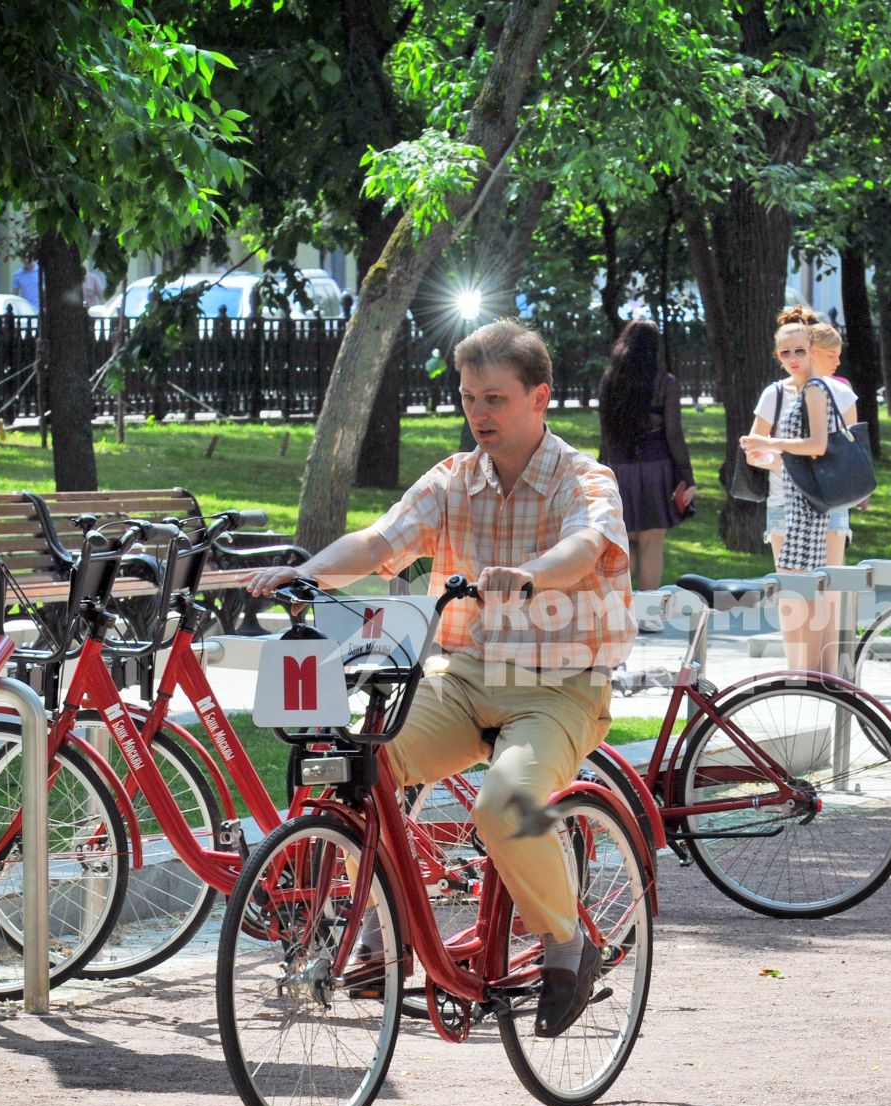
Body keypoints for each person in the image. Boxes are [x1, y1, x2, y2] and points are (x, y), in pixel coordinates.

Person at [246, 319, 633, 1038]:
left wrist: (530, 575)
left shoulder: (583, 478)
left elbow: (587, 545)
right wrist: (303, 571)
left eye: (495, 398)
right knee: (355, 769)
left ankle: (566, 941)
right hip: (461, 677)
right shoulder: (454, 479)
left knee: (507, 804)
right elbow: (379, 540)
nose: (478, 414)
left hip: (560, 685)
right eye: (468, 399)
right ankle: (381, 929)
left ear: (540, 397)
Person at [742, 313, 840, 672]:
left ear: (813, 350)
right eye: (785, 353)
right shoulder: (781, 392)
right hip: (791, 501)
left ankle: (811, 674)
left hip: (809, 507)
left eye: (800, 350)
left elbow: (817, 445)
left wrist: (770, 443)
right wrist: (769, 452)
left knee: (809, 593)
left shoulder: (815, 389)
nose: (793, 358)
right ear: (777, 356)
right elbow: (765, 455)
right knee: (796, 592)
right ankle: (804, 672)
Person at [749, 306, 858, 568]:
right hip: (784, 503)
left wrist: (779, 450)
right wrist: (782, 463)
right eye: (832, 355)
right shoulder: (774, 394)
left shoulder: (840, 392)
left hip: (829, 502)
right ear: (815, 352)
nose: (837, 362)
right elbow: (753, 451)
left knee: (830, 593)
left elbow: (850, 452)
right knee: (791, 595)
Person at [597, 318, 695, 594]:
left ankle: (623, 613)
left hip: (618, 468)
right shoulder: (666, 383)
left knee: (624, 543)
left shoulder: (609, 380)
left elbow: (605, 431)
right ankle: (648, 612)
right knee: (652, 543)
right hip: (656, 469)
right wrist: (687, 477)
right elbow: (674, 435)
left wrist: (601, 471)